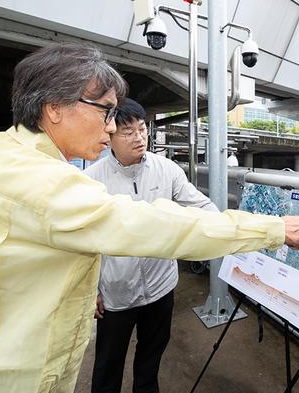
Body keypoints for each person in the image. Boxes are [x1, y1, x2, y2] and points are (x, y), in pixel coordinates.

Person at [0, 43, 299, 393]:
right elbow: (154, 226)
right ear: (54, 109)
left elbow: (193, 211)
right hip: (6, 372)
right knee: (108, 367)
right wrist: (271, 228)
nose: (111, 128)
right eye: (106, 113)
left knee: (149, 361)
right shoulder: (47, 182)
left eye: (134, 126)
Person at [85, 99, 213, 393]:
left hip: (160, 287)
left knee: (150, 361)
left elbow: (202, 206)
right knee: (107, 366)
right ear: (109, 136)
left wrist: (232, 231)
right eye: (128, 132)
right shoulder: (91, 181)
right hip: (116, 294)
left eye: (142, 129)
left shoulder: (166, 169)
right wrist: (91, 291)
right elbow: (82, 244)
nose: (139, 137)